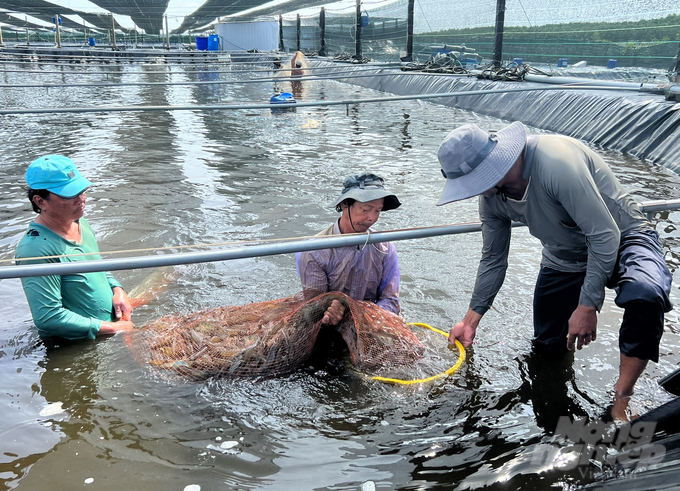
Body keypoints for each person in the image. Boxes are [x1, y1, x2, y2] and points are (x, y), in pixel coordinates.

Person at [437, 122, 672, 417]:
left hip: (624, 236)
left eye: (471, 182)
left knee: (646, 295)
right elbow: (493, 258)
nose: (471, 192)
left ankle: (621, 399)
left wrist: (588, 304)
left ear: (492, 165)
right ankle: (555, 414)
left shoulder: (555, 163)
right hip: (566, 256)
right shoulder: (492, 198)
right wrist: (471, 319)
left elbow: (604, 235)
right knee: (547, 347)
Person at [15, 155, 134, 340]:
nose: (81, 199)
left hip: (112, 327)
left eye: (82, 191)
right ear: (40, 202)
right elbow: (48, 318)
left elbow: (97, 265)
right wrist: (113, 328)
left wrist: (117, 290)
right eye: (69, 195)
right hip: (77, 343)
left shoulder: (79, 222)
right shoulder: (35, 249)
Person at [296, 173, 402, 326]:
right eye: (366, 209)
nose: (372, 218)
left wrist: (370, 318)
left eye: (377, 211)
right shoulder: (314, 251)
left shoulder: (384, 247)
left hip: (371, 323)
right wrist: (329, 311)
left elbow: (391, 300)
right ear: (345, 204)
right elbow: (314, 311)